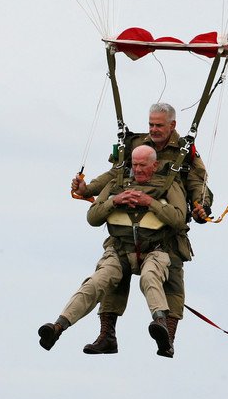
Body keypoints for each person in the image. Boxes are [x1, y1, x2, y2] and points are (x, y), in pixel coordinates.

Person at [71, 102, 213, 357]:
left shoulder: (185, 151)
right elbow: (115, 174)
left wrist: (201, 207)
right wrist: (88, 189)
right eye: (151, 124)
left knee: (171, 281)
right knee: (113, 275)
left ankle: (167, 339)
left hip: (167, 226)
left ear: (172, 125)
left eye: (159, 125)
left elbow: (198, 184)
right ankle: (106, 336)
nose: (154, 129)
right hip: (129, 225)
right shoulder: (135, 145)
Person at [39, 145, 188, 356]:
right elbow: (93, 217)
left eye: (143, 165)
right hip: (120, 249)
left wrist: (150, 202)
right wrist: (115, 201)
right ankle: (57, 327)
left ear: (155, 165)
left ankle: (160, 323)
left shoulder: (169, 185)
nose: (138, 169)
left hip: (155, 249)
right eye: (134, 165)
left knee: (150, 277)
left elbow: (179, 219)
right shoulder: (116, 184)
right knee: (97, 281)